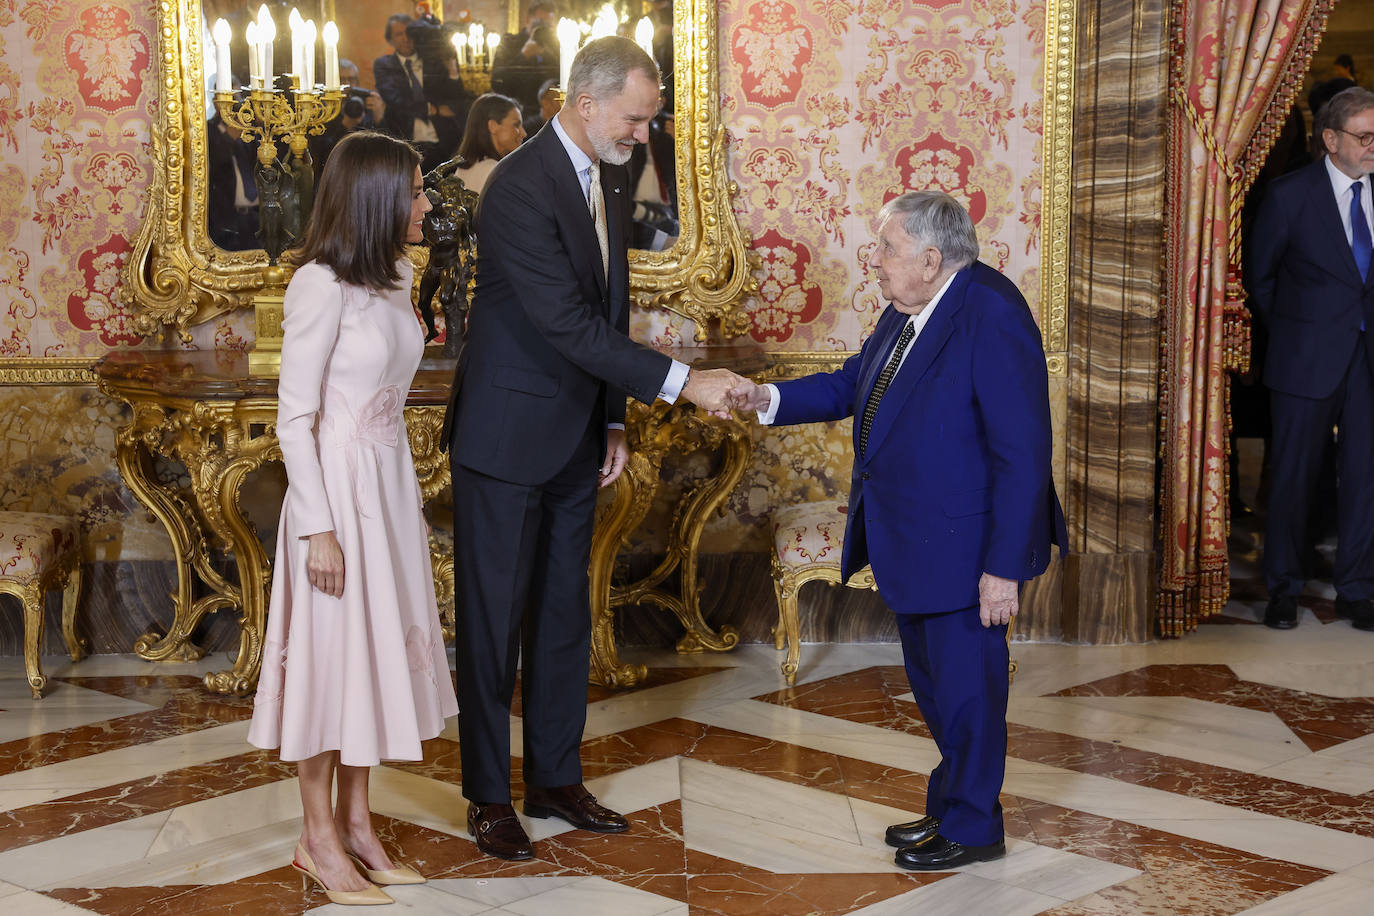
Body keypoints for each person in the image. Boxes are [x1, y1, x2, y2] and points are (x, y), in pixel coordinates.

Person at [440, 36, 742, 862]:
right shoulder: (517, 187)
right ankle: (488, 796)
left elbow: (608, 312)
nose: (645, 136)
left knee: (566, 614)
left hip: (578, 433)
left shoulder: (604, 175)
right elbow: (565, 325)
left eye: (648, 122)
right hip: (505, 437)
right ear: (585, 102)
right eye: (638, 119)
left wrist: (613, 417)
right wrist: (684, 382)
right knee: (493, 622)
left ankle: (555, 779)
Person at [727, 190, 1066, 871]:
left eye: (887, 249)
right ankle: (951, 806)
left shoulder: (991, 313)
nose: (874, 261)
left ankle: (974, 828)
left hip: (967, 549)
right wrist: (766, 398)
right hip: (915, 543)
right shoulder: (910, 308)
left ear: (932, 258)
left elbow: (1023, 451)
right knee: (941, 692)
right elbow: (856, 384)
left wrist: (1003, 567)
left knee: (970, 696)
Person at [247, 131, 458, 906]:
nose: (426, 204)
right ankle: (318, 839)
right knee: (332, 661)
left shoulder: (395, 275)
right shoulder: (318, 285)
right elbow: (292, 419)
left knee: (370, 659)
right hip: (334, 490)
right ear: (374, 199)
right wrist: (317, 527)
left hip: (387, 484)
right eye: (414, 191)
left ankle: (360, 825)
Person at [1250, 86, 1374, 631]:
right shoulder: (1288, 195)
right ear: (1330, 139)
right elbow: (1263, 279)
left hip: (1368, 360)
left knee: (1366, 477)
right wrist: (1300, 333)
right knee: (1294, 478)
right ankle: (1283, 587)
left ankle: (1358, 588)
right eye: (1365, 136)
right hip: (1304, 357)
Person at [374, 13, 467, 171]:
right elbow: (394, 100)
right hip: (405, 144)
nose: (405, 38)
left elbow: (455, 95)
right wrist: (432, 109)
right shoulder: (384, 65)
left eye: (409, 33)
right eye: (399, 34)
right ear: (390, 39)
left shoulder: (433, 62)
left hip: (442, 144)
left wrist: (452, 69)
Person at [310, 60, 386, 178]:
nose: (347, 84)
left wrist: (379, 117)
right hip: (334, 175)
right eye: (342, 79)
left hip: (366, 173)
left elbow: (383, 148)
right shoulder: (322, 110)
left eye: (351, 79)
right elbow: (321, 153)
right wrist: (345, 126)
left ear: (357, 82)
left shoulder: (368, 105)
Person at [451, 92, 525, 194]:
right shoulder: (494, 171)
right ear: (493, 126)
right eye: (516, 125)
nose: (523, 133)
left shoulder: (463, 168)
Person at [492, 2, 559, 113]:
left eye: (548, 26)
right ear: (528, 19)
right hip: (517, 111)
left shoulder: (557, 48)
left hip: (548, 114)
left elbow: (562, 78)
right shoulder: (510, 42)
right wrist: (523, 55)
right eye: (540, 23)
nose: (543, 29)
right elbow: (497, 81)